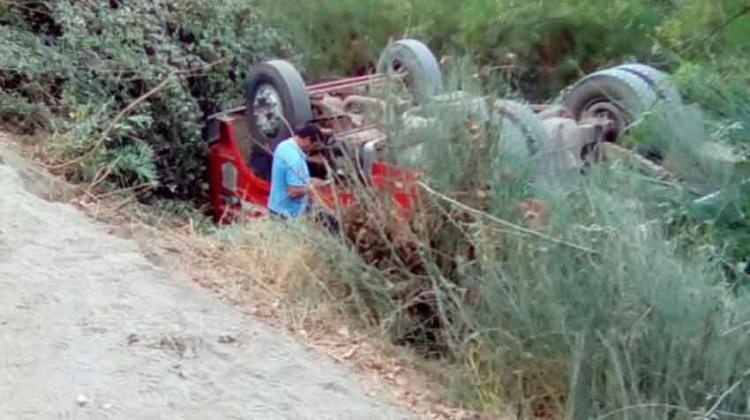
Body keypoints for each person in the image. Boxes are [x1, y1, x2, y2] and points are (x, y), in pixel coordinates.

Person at [267, 122, 328, 219]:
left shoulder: (283, 146)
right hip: (288, 215)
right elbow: (293, 192)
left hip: (275, 207)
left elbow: (290, 178)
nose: (311, 150)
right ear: (308, 140)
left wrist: (309, 180)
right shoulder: (295, 159)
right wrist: (312, 187)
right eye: (314, 146)